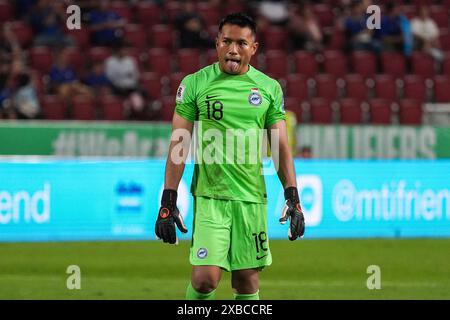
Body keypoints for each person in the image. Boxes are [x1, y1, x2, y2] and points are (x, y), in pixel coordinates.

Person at [155, 13, 305, 300]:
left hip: (250, 199)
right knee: (204, 280)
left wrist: (293, 198)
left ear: (254, 48)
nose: (233, 50)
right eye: (226, 42)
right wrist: (168, 201)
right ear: (216, 43)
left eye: (241, 43)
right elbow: (179, 144)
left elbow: (280, 147)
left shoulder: (269, 88)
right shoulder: (195, 84)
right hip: (211, 197)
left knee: (246, 283)